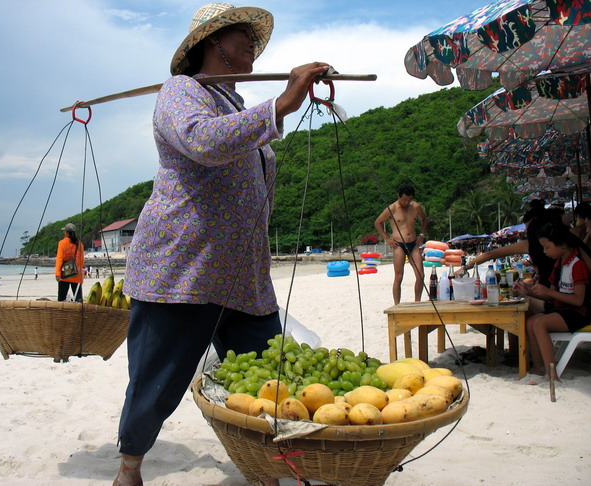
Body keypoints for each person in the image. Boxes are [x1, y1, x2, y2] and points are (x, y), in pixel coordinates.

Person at [113, 4, 331, 485]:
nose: (253, 46)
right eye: (244, 38)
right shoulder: (182, 92)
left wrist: (275, 109)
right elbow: (203, 141)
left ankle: (272, 469)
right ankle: (130, 468)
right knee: (157, 382)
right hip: (183, 270)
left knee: (274, 379)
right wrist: (279, 106)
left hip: (245, 273)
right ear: (214, 43)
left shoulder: (232, 101)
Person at [518, 222, 591, 379]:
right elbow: (551, 294)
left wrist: (549, 292)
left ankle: (552, 374)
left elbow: (579, 301)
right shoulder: (560, 263)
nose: (544, 252)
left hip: (578, 313)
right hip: (562, 310)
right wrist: (530, 292)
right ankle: (538, 368)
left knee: (539, 323)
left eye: (547, 247)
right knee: (530, 321)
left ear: (562, 245)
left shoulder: (577, 264)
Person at [374, 184, 427, 303]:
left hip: (413, 244)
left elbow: (424, 219)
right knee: (399, 276)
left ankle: (417, 302)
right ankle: (397, 304)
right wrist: (387, 238)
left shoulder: (416, 207)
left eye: (409, 199)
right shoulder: (392, 208)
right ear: (398, 196)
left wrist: (422, 235)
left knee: (420, 275)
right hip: (399, 245)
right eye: (404, 199)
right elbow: (378, 222)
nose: (407, 202)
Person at [55, 223, 84, 302]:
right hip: (76, 274)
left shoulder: (62, 243)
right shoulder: (80, 244)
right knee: (78, 300)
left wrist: (57, 273)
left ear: (66, 232)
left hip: (65, 274)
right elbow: (81, 260)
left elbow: (60, 259)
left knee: (61, 299)